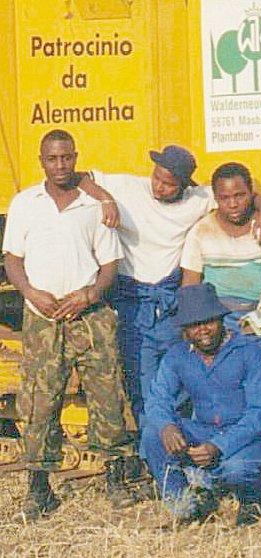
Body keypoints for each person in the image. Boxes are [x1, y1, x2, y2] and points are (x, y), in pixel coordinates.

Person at [77, 149, 261, 437]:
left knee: (182, 372)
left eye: (169, 184)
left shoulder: (198, 199)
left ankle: (183, 439)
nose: (159, 186)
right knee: (140, 378)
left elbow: (249, 185)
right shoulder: (128, 187)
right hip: (134, 299)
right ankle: (151, 445)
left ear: (185, 184)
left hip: (170, 297)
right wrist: (105, 199)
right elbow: (83, 178)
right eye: (157, 177)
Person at [2, 129, 136, 520]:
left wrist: (89, 295)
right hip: (43, 317)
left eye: (66, 158)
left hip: (88, 315)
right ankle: (39, 486)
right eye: (52, 159)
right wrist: (30, 292)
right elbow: (13, 258)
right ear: (41, 161)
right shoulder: (26, 203)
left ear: (76, 157)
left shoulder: (93, 206)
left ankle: (115, 478)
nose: (60, 166)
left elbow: (110, 265)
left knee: (107, 395)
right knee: (39, 402)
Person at [180, 162, 261, 484]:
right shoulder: (202, 231)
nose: (234, 204)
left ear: (251, 193)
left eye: (240, 195)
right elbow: (191, 283)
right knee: (223, 397)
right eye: (226, 198)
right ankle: (219, 472)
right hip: (222, 323)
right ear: (216, 198)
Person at [141, 283, 261, 526]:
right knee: (153, 433)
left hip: (248, 438)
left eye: (209, 321)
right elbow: (157, 399)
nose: (203, 330)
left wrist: (218, 445)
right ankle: (183, 508)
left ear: (222, 320)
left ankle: (252, 500)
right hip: (203, 430)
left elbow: (258, 414)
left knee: (237, 469)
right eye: (194, 324)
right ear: (184, 330)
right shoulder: (177, 355)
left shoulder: (249, 352)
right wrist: (167, 426)